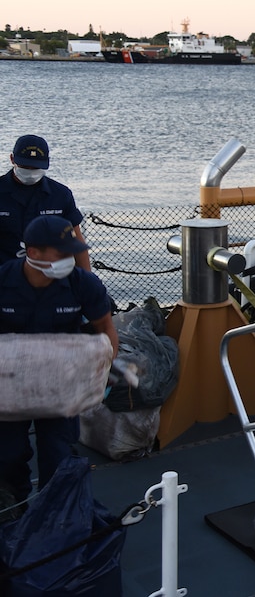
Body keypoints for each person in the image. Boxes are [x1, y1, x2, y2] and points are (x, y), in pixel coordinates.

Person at [0, 215, 119, 504]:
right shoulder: (3, 281)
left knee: (59, 452)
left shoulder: (84, 284)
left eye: (73, 251)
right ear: (33, 253)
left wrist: (103, 374)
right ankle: (13, 506)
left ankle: (55, 510)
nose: (71, 258)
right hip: (10, 387)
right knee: (8, 454)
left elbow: (106, 329)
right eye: (62, 253)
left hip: (61, 384)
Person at [0, 135, 91, 272]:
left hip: (49, 277)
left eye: (35, 168)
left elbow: (77, 242)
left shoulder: (60, 195)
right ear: (12, 159)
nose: (30, 173)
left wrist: (87, 282)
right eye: (25, 166)